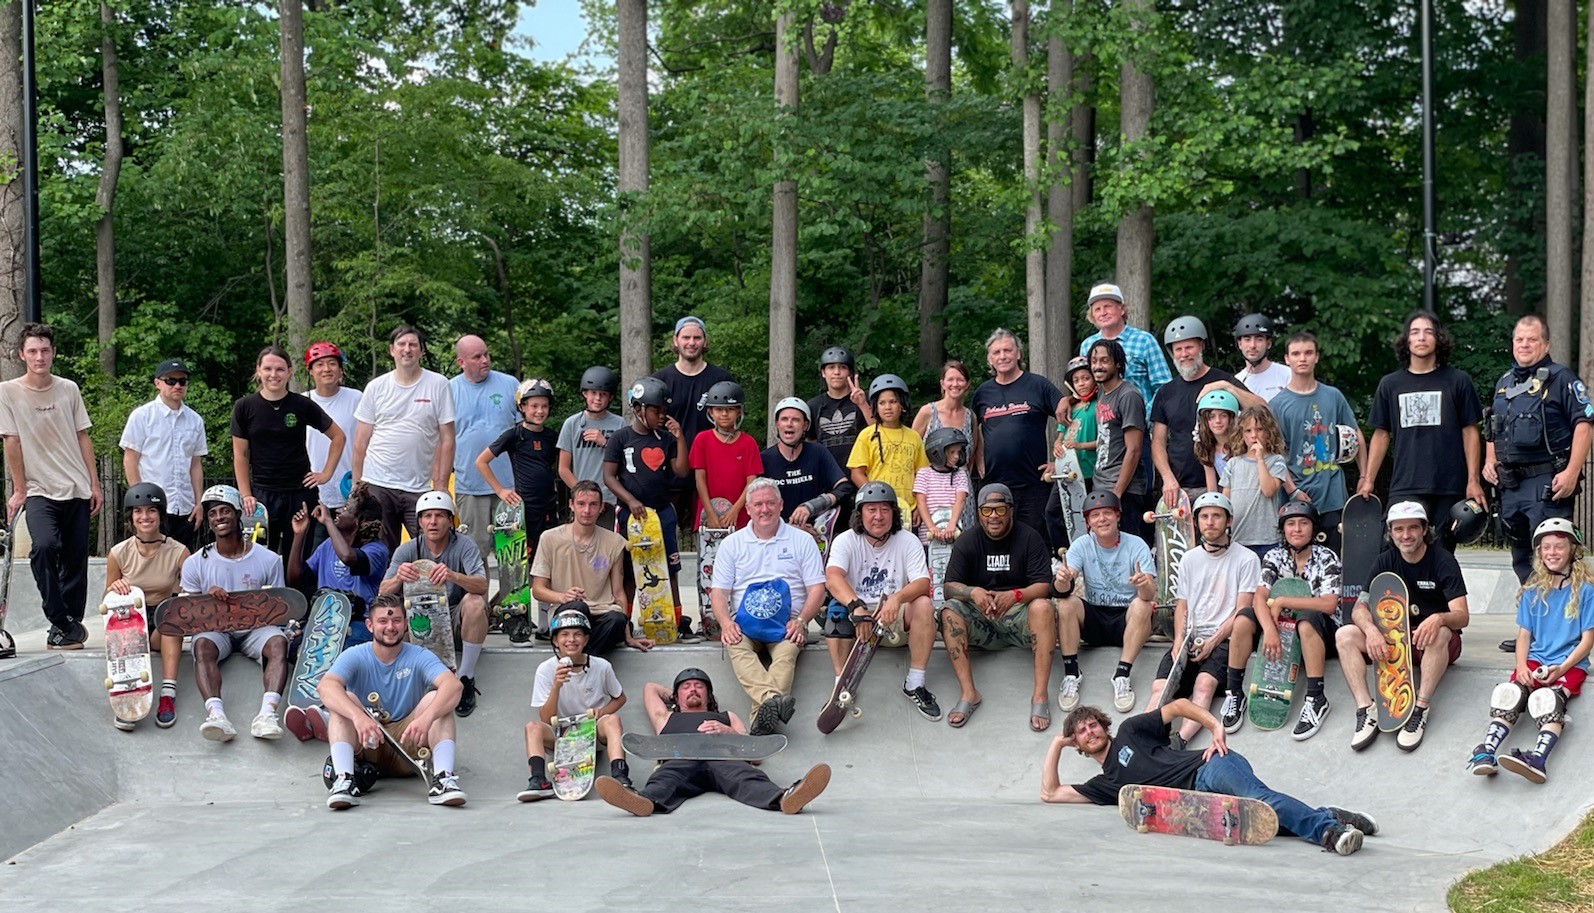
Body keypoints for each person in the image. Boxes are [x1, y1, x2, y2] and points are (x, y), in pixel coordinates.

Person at [1041, 701, 1376, 855]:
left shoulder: (1130, 731)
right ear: (1077, 744)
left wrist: (1216, 727)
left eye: (1093, 725)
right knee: (1267, 822)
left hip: (1209, 766)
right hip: (1201, 807)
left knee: (1260, 800)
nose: (1090, 732)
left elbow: (1178, 706)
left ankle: (1330, 832)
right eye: (1081, 732)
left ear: (1104, 726)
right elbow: (1050, 793)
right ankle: (1332, 815)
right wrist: (1057, 743)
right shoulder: (1107, 785)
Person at [592, 668, 831, 817]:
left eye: (699, 686)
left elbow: (755, 756)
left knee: (747, 776)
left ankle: (784, 798)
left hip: (723, 759)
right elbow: (650, 688)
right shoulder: (665, 717)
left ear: (709, 694)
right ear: (676, 696)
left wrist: (728, 731)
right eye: (686, 687)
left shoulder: (727, 716)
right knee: (665, 778)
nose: (693, 689)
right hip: (681, 759)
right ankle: (643, 801)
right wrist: (674, 694)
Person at [1465, 519, 1594, 783]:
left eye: (1559, 547)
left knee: (1548, 700)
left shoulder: (1586, 591)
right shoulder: (1533, 590)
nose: (1552, 553)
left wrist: (1563, 668)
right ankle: (1487, 751)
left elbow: (1587, 640)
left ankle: (1538, 759)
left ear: (1572, 550)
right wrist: (1522, 666)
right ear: (1539, 552)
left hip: (1570, 664)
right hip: (1536, 659)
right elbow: (1523, 636)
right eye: (1546, 547)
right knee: (1509, 695)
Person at [1336, 501, 1469, 752]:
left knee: (1440, 632)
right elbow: (1359, 608)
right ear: (1390, 532)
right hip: (1394, 643)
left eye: (1412, 528)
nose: (1405, 535)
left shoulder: (1442, 560)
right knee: (1345, 635)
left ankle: (1420, 709)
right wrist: (1371, 631)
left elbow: (1462, 616)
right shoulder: (1384, 561)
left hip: (1432, 644)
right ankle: (1366, 709)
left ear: (1424, 529)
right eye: (1399, 529)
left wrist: (1439, 618)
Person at [0, 323, 103, 649]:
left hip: (76, 486)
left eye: (45, 350)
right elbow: (11, 441)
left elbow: (82, 436)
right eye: (32, 351)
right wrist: (20, 489)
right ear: (22, 355)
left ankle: (66, 627)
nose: (39, 357)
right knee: (44, 547)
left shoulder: (68, 388)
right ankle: (59, 618)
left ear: (53, 353)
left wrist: (94, 483)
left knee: (75, 559)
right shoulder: (8, 391)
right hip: (38, 489)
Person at [318, 594, 466, 809]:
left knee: (436, 700)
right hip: (369, 743)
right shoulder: (355, 655)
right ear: (369, 625)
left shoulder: (419, 655)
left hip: (408, 742)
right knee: (345, 700)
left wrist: (427, 718)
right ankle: (344, 781)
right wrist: (358, 716)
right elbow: (325, 686)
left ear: (405, 624)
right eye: (383, 621)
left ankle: (443, 779)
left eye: (396, 620)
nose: (390, 627)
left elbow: (454, 686)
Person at [1360, 312, 1486, 552]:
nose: (1421, 337)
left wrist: (1473, 481)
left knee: (1441, 555)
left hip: (1448, 485)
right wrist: (1368, 480)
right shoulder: (1390, 384)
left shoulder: (1458, 381)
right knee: (1397, 553)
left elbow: (1470, 432)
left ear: (1438, 338)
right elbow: (1381, 434)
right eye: (1415, 332)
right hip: (1406, 483)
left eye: (1428, 332)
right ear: (1406, 340)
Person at [708, 478, 826, 735]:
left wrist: (802, 621)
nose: (765, 509)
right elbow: (719, 592)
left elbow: (817, 588)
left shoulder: (802, 540)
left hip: (789, 621)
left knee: (786, 654)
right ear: (748, 509)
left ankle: (758, 724)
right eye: (758, 504)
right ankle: (773, 700)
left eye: (770, 503)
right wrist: (726, 623)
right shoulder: (732, 543)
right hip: (743, 622)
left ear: (781, 505)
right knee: (736, 645)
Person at [1145, 492, 1260, 748]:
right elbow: (1182, 604)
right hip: (1190, 636)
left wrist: (1212, 642)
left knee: (1204, 685)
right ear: (1196, 522)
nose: (1210, 522)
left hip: (1225, 638)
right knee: (1160, 687)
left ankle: (1180, 741)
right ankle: (1143, 736)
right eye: (1204, 516)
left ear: (1229, 520)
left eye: (1216, 516)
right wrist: (1178, 641)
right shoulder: (1189, 559)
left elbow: (1242, 610)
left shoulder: (1247, 559)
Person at [939, 484, 1057, 730]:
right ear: (979, 513)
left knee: (1043, 607)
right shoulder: (967, 541)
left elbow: (1045, 586)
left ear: (1011, 510)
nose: (993, 516)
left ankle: (1039, 696)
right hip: (982, 620)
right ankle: (969, 693)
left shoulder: (1029, 537)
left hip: (1020, 618)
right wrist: (972, 592)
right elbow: (949, 587)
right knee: (949, 611)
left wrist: (1015, 595)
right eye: (987, 510)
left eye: (1000, 510)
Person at [1485, 315, 1593, 582]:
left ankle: (1564, 607)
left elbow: (1585, 424)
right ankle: (1532, 606)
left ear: (1546, 345)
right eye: (1519, 339)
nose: (1524, 344)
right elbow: (1492, 426)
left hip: (1547, 483)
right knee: (1521, 559)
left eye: (1532, 339)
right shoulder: (1504, 383)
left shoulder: (1562, 378)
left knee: (1555, 557)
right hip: (1511, 486)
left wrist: (1571, 472)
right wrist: (1489, 461)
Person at [1219, 501, 1341, 737]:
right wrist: (1269, 630)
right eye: (1291, 524)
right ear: (1283, 529)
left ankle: (1316, 698)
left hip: (1318, 632)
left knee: (1306, 618)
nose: (1297, 529)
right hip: (1279, 629)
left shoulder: (1327, 557)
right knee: (1243, 618)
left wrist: (1283, 601)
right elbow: (1259, 597)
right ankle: (1234, 693)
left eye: (1304, 523)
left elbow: (1328, 604)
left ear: (1313, 528)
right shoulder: (1274, 556)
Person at [824, 481, 942, 721]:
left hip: (892, 618)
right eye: (871, 510)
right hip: (858, 619)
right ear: (860, 514)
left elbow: (922, 583)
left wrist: (897, 598)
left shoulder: (908, 540)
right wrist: (856, 607)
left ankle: (915, 682)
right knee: (835, 610)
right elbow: (832, 577)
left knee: (924, 604)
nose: (878, 516)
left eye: (885, 510)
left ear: (893, 514)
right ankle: (841, 684)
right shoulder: (845, 540)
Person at [181, 484, 290, 742]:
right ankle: (216, 715)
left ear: (238, 513)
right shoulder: (195, 562)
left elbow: (278, 608)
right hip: (217, 629)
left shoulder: (269, 559)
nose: (219, 517)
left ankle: (267, 715)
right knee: (202, 644)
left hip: (255, 628)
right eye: (213, 514)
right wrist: (208, 600)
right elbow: (189, 613)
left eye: (225, 511)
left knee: (278, 642)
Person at [379, 490, 490, 716]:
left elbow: (482, 585)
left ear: (450, 520)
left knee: (475, 602)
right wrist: (399, 577)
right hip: (421, 621)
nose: (433, 522)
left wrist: (453, 575)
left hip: (455, 618)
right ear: (419, 521)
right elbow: (383, 592)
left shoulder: (465, 545)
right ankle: (402, 683)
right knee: (390, 616)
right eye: (427, 516)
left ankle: (465, 677)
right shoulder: (407, 549)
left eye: (439, 515)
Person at [231, 345, 344, 567]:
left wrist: (326, 473)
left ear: (289, 372)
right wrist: (246, 494)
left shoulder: (302, 404)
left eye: (280, 369)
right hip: (262, 497)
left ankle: (298, 591)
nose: (274, 374)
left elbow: (338, 436)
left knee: (299, 559)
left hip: (300, 494)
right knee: (258, 560)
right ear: (258, 371)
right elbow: (240, 454)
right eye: (268, 369)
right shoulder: (244, 407)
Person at [353, 325, 457, 550]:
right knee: (379, 551)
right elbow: (360, 441)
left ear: (421, 350)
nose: (407, 349)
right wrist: (357, 484)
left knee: (431, 548)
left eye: (413, 345)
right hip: (378, 484)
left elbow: (448, 438)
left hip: (420, 486)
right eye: (401, 344)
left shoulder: (439, 384)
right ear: (392, 350)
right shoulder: (376, 387)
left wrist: (441, 484)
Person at [1053, 490, 1157, 714]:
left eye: (1107, 513)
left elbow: (1149, 594)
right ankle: (1071, 673)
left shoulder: (1136, 544)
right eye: (1095, 515)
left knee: (1143, 605)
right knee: (1066, 603)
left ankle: (1122, 675)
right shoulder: (1081, 544)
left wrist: (1142, 583)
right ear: (1088, 522)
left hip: (1126, 621)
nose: (1102, 519)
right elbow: (1063, 589)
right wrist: (1062, 580)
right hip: (1095, 618)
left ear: (1118, 516)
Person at [604, 376, 691, 635]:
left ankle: (675, 620)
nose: (662, 416)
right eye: (656, 411)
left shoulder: (666, 439)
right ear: (639, 409)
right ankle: (625, 621)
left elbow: (681, 471)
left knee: (669, 568)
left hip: (661, 512)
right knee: (630, 570)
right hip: (631, 515)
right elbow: (609, 476)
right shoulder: (621, 437)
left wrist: (680, 438)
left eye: (664, 411)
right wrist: (631, 500)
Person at [518, 606, 632, 800]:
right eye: (564, 635)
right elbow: (545, 718)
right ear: (555, 640)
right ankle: (538, 780)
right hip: (561, 735)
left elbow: (620, 697)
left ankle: (620, 777)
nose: (571, 639)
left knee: (612, 719)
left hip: (592, 731)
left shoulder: (601, 666)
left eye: (577, 634)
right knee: (532, 727)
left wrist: (603, 711)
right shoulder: (546, 669)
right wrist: (556, 686)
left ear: (586, 639)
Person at [1149, 315, 1263, 507]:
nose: (1184, 354)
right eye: (1178, 349)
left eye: (1189, 347)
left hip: (1225, 485)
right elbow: (1158, 442)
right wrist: (1167, 478)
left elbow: (1263, 409)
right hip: (1180, 488)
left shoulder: (1223, 380)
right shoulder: (1166, 392)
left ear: (1201, 345)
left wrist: (1228, 387)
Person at [1269, 331, 1367, 552]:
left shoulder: (1333, 396)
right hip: (1295, 497)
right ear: (1286, 359)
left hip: (1332, 494)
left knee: (1334, 559)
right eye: (1296, 354)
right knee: (1297, 562)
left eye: (1308, 353)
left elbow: (1356, 434)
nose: (1302, 358)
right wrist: (1292, 490)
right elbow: (1275, 454)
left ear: (1317, 356)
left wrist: (1365, 476)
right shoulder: (1277, 405)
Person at [530, 481, 653, 656]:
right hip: (567, 611)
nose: (587, 510)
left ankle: (583, 661)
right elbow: (538, 589)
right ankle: (586, 662)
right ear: (571, 505)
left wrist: (628, 635)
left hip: (602, 612)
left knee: (617, 619)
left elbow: (618, 592)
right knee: (578, 608)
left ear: (601, 507)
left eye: (593, 504)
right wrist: (563, 597)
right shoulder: (550, 538)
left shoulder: (614, 541)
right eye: (581, 504)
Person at [104, 483, 190, 729]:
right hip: (132, 620)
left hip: (162, 621)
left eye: (151, 510)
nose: (145, 517)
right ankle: (127, 697)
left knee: (171, 617)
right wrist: (115, 588)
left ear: (161, 515)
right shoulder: (119, 552)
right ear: (130, 517)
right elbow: (107, 600)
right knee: (123, 620)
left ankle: (168, 695)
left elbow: (192, 591)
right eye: (138, 511)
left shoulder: (179, 551)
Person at [973, 329, 1067, 547]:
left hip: (1033, 483)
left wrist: (1061, 460)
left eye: (1008, 350)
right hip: (994, 484)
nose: (1002, 356)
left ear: (1018, 353)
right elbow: (971, 428)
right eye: (996, 352)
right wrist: (978, 457)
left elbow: (1070, 414)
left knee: (1033, 544)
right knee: (996, 546)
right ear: (989, 359)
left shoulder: (1038, 385)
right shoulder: (982, 393)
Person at [653, 316, 735, 535]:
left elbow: (731, 426)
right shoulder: (660, 380)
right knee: (665, 537)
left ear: (705, 341)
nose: (691, 343)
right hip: (670, 471)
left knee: (712, 537)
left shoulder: (721, 379)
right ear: (676, 340)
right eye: (686, 337)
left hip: (711, 472)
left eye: (697, 338)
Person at [119, 357, 206, 549]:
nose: (177, 386)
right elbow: (130, 459)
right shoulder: (142, 416)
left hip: (185, 508)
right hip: (152, 508)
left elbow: (195, 464)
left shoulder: (195, 420)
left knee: (183, 562)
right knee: (149, 560)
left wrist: (198, 503)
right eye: (171, 381)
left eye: (182, 381)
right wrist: (139, 500)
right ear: (157, 383)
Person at [450, 334, 520, 564]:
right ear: (461, 362)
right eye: (477, 356)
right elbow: (442, 440)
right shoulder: (449, 390)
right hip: (470, 486)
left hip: (508, 486)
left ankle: (511, 592)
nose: (485, 360)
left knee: (511, 555)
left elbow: (524, 433)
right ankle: (480, 591)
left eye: (486, 354)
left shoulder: (510, 384)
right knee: (474, 556)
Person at [476, 378, 560, 568]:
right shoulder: (514, 435)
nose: (540, 411)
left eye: (544, 406)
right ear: (522, 407)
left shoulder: (552, 436)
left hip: (548, 507)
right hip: (524, 508)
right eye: (534, 406)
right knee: (523, 565)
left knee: (548, 560)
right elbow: (481, 461)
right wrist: (500, 490)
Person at [759, 396, 852, 539]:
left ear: (805, 425)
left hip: (817, 533)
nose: (789, 424)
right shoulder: (765, 458)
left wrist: (812, 506)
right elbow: (757, 506)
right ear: (777, 424)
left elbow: (844, 488)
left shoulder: (818, 452)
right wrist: (792, 529)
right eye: (784, 419)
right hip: (779, 534)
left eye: (795, 420)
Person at [1087, 339, 1151, 544]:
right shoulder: (1102, 392)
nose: (1098, 366)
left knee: (1127, 549)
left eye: (1104, 361)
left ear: (1118, 364)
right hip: (1101, 484)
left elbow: (1134, 449)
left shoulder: (1128, 396)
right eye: (1094, 361)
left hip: (1124, 490)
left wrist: (1117, 493)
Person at [303, 342, 362, 550]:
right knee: (313, 553)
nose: (326, 369)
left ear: (341, 369)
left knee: (352, 553)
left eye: (332, 363)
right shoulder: (301, 402)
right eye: (319, 365)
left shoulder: (357, 399)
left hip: (349, 489)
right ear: (310, 371)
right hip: (313, 492)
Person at [846, 373, 928, 522]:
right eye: (882, 403)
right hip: (879, 509)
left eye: (893, 401)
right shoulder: (867, 435)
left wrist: (918, 505)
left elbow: (922, 475)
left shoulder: (914, 437)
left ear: (902, 405)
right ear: (875, 407)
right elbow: (857, 473)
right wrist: (874, 496)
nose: (888, 407)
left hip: (908, 509)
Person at [1076, 283, 1171, 409]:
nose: (1103, 313)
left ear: (1121, 309)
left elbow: (1164, 387)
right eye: (1097, 309)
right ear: (1092, 315)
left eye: (1108, 307)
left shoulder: (1144, 340)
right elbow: (1086, 388)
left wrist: (1147, 414)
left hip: (1140, 419)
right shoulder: (1087, 346)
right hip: (1101, 419)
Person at [557, 366, 625, 531]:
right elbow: (563, 469)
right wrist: (582, 494)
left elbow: (626, 462)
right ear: (585, 394)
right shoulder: (572, 424)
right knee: (581, 542)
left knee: (609, 542)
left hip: (610, 499)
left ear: (610, 397)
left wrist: (606, 443)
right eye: (593, 393)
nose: (598, 398)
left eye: (603, 394)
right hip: (582, 500)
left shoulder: (619, 424)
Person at [1221, 405, 1292, 557]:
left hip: (1267, 539)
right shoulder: (1233, 463)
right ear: (1241, 434)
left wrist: (1260, 458)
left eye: (1259, 429)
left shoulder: (1276, 461)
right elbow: (1225, 501)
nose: (1254, 435)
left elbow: (1269, 491)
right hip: (1239, 537)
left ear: (1268, 431)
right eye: (1248, 431)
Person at [690, 380, 762, 529]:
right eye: (719, 409)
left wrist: (735, 510)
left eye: (730, 409)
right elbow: (699, 479)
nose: (724, 414)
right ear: (711, 412)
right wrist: (710, 512)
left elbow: (752, 481)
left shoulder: (748, 443)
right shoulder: (702, 440)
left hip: (741, 515)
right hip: (708, 514)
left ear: (739, 411)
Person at [808, 345, 873, 474]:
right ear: (823, 373)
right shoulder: (813, 405)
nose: (837, 372)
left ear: (850, 372)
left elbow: (881, 433)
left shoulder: (865, 399)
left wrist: (863, 404)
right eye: (831, 367)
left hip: (862, 474)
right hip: (827, 476)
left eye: (842, 367)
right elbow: (810, 442)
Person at [912, 359, 982, 474]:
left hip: (961, 481)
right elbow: (912, 449)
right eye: (950, 379)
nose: (955, 384)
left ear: (967, 384)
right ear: (942, 384)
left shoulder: (971, 417)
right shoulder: (928, 412)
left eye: (960, 380)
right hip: (930, 482)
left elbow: (971, 457)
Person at [914, 427, 971, 549]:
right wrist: (931, 527)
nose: (956, 456)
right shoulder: (924, 474)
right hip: (929, 537)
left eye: (959, 452)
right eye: (952, 452)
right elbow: (921, 502)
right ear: (936, 452)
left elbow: (960, 500)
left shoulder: (960, 474)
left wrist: (952, 525)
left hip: (953, 533)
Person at [1232, 313, 1291, 403]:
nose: (1252, 345)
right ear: (1240, 344)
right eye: (1247, 339)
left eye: (1259, 339)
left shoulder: (1287, 375)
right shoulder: (1236, 382)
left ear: (1268, 343)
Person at [1193, 389, 1240, 494]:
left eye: (1223, 416)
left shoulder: (1240, 445)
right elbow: (1212, 488)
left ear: (1231, 418)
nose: (1218, 421)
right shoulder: (1207, 447)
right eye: (1211, 417)